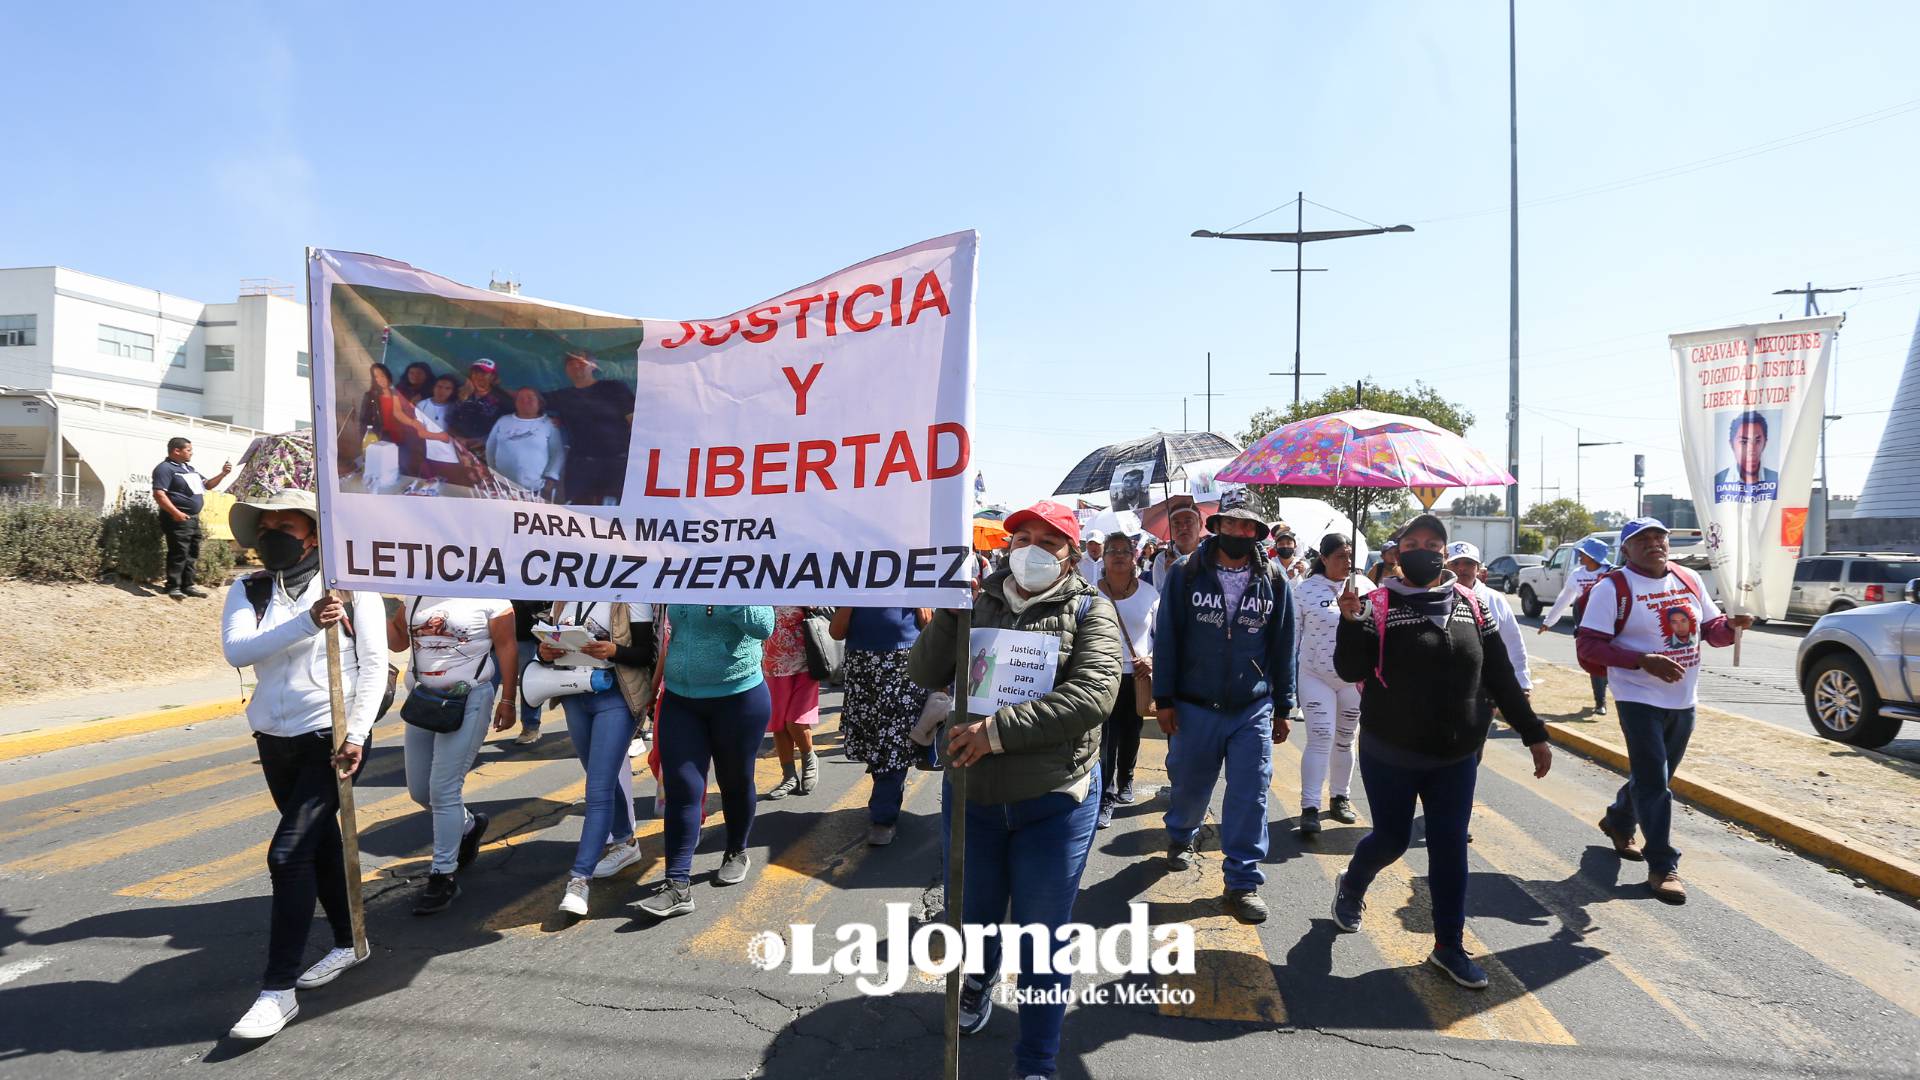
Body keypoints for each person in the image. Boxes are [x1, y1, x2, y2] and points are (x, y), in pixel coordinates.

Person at [907, 499, 1120, 1080]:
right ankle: (976, 982)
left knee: (1042, 941)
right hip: (972, 797)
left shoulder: (1092, 611)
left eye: (1047, 542)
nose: (1030, 550)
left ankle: (1037, 1061)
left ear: (1072, 556)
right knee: (972, 916)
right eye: (1020, 537)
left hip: (1054, 803)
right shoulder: (976, 601)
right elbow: (924, 674)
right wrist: (951, 611)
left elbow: (1093, 697)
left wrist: (995, 733)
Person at [1329, 514, 1553, 990]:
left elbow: (1499, 675)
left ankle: (1448, 945)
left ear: (1446, 553)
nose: (1423, 548)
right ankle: (1352, 883)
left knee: (1450, 847)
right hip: (1391, 751)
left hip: (1456, 756)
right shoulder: (1375, 603)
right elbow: (1350, 669)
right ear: (1396, 551)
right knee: (1390, 840)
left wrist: (1533, 732)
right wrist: (1349, 621)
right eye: (1412, 541)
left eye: (1433, 542)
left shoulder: (1473, 605)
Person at [219, 489, 386, 1040]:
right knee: (317, 845)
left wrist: (357, 734)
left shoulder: (354, 589)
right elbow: (240, 651)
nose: (271, 535)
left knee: (287, 853)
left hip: (331, 740)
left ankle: (277, 990)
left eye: (283, 526)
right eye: (264, 527)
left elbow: (374, 668)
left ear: (313, 534)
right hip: (274, 737)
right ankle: (349, 941)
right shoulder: (248, 589)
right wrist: (310, 622)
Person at [1577, 517, 1751, 905]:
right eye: (1643, 539)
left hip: (1683, 698)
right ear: (1626, 549)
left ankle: (1619, 819)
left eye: (1660, 535)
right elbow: (1589, 648)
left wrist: (1734, 625)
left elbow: (1712, 630)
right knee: (1656, 782)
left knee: (1654, 775)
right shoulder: (1613, 588)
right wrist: (1642, 661)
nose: (1654, 542)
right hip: (1637, 696)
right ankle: (1662, 864)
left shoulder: (1688, 577)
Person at [1152, 488, 1297, 924]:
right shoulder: (1186, 572)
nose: (1238, 531)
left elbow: (1283, 644)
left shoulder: (1273, 578)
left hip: (1251, 706)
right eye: (1230, 523)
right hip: (1195, 705)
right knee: (1191, 784)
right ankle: (1181, 832)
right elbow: (1169, 638)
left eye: (1246, 525)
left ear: (1257, 531)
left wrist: (1284, 705)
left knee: (1250, 792)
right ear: (1216, 527)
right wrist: (1164, 699)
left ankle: (1242, 881)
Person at [638, 604, 774, 918]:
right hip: (680, 700)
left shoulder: (746, 570)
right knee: (682, 787)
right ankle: (677, 884)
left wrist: (728, 592)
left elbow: (763, 627)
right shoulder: (682, 567)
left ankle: (737, 850)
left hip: (738, 698)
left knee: (735, 781)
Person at [387, 594, 517, 915]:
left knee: (443, 790)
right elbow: (398, 642)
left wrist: (509, 700)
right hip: (424, 701)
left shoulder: (490, 595)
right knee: (420, 791)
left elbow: (507, 647)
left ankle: (443, 875)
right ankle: (469, 826)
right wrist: (370, 602)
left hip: (469, 700)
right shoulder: (415, 593)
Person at [539, 599, 657, 916]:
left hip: (616, 698)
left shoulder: (632, 595)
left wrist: (614, 651)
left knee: (597, 788)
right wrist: (544, 652)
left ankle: (579, 880)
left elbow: (646, 653)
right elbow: (550, 645)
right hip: (574, 697)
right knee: (599, 777)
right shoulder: (564, 594)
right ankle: (626, 842)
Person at [830, 605, 934, 846]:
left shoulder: (910, 576)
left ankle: (883, 816)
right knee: (875, 742)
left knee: (893, 743)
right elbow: (836, 632)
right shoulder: (853, 581)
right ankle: (886, 796)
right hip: (862, 669)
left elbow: (928, 624)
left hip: (902, 666)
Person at [1291, 532, 1366, 836]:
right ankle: (1310, 807)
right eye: (1340, 556)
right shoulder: (1304, 591)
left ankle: (1340, 797)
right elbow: (1292, 637)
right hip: (1315, 675)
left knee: (1345, 738)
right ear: (1323, 558)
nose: (1347, 562)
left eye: (1350, 555)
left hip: (1352, 680)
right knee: (1320, 735)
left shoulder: (1367, 588)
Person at [1094, 530, 1157, 828]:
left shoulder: (1149, 594)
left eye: (1124, 550)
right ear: (1103, 558)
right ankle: (1105, 798)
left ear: (1134, 559)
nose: (1118, 555)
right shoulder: (1092, 592)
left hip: (1138, 678)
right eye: (1112, 550)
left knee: (1132, 732)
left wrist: (1151, 658)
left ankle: (1126, 780)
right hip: (1102, 676)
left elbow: (1163, 635)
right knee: (1106, 738)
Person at [1445, 541, 1533, 740]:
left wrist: (1522, 682)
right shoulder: (1434, 599)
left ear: (1478, 568)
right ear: (1446, 567)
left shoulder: (1495, 600)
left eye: (1468, 563)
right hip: (1444, 690)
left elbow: (1513, 643)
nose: (1461, 569)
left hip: (1484, 692)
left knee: (1473, 748)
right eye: (1455, 563)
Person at [545, 349, 635, 505]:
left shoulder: (614, 389)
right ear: (566, 370)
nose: (576, 366)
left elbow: (635, 423)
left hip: (617, 464)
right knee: (577, 514)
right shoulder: (562, 397)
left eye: (581, 362)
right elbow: (527, 399)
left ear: (593, 365)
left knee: (614, 514)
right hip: (580, 466)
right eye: (571, 363)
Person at [151, 437, 231, 600]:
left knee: (192, 551)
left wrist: (223, 473)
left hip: (192, 518)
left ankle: (188, 585)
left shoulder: (189, 469)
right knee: (179, 551)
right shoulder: (165, 469)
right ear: (176, 451)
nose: (191, 453)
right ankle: (173, 586)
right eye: (188, 450)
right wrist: (176, 513)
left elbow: (207, 485)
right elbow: (159, 494)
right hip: (176, 517)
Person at [1539, 536, 1612, 715]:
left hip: (1610, 624)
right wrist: (1548, 622)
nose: (1579, 556)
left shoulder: (1611, 573)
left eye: (1583, 553)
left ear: (1593, 556)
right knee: (1595, 662)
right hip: (1587, 624)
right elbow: (1564, 599)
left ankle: (1608, 687)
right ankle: (1600, 702)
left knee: (1610, 665)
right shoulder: (1577, 575)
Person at [762, 605, 822, 800]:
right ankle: (789, 777)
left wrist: (811, 604)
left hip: (807, 661)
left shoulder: (804, 581)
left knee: (795, 721)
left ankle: (809, 758)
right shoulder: (762, 584)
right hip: (772, 663)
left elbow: (825, 606)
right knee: (778, 724)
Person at [485, 387, 567, 499]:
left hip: (535, 487)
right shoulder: (503, 421)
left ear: (540, 403)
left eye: (530, 398)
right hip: (502, 484)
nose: (525, 401)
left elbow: (557, 453)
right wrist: (492, 471)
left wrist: (550, 478)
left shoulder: (549, 424)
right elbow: (490, 447)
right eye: (520, 398)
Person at [450, 358, 514, 458]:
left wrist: (482, 440)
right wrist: (462, 398)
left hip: (484, 452)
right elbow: (451, 419)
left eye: (484, 373)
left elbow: (509, 427)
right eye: (475, 372)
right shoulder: (459, 392)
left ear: (493, 376)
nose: (478, 376)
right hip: (456, 444)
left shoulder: (503, 399)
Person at [1713, 410, 1780, 502]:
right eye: (1744, 442)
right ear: (1732, 445)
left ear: (1765, 444)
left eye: (1757, 441)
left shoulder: (1777, 479)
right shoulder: (1717, 481)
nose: (1751, 450)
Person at [509, 599, 549, 746]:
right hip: (497, 636)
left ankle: (530, 727)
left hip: (526, 635)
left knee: (529, 684)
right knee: (488, 684)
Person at [412, 374, 465, 482]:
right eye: (439, 387)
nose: (442, 391)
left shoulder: (455, 407)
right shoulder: (423, 405)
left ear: (453, 391)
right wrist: (442, 436)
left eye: (447, 388)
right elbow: (420, 433)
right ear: (433, 387)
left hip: (452, 459)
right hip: (429, 457)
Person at [1151, 497, 1206, 586]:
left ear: (1200, 523)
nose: (1183, 527)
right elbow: (1163, 597)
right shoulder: (1162, 560)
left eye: (1188, 521)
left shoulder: (1212, 554)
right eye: (1176, 523)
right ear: (1170, 528)